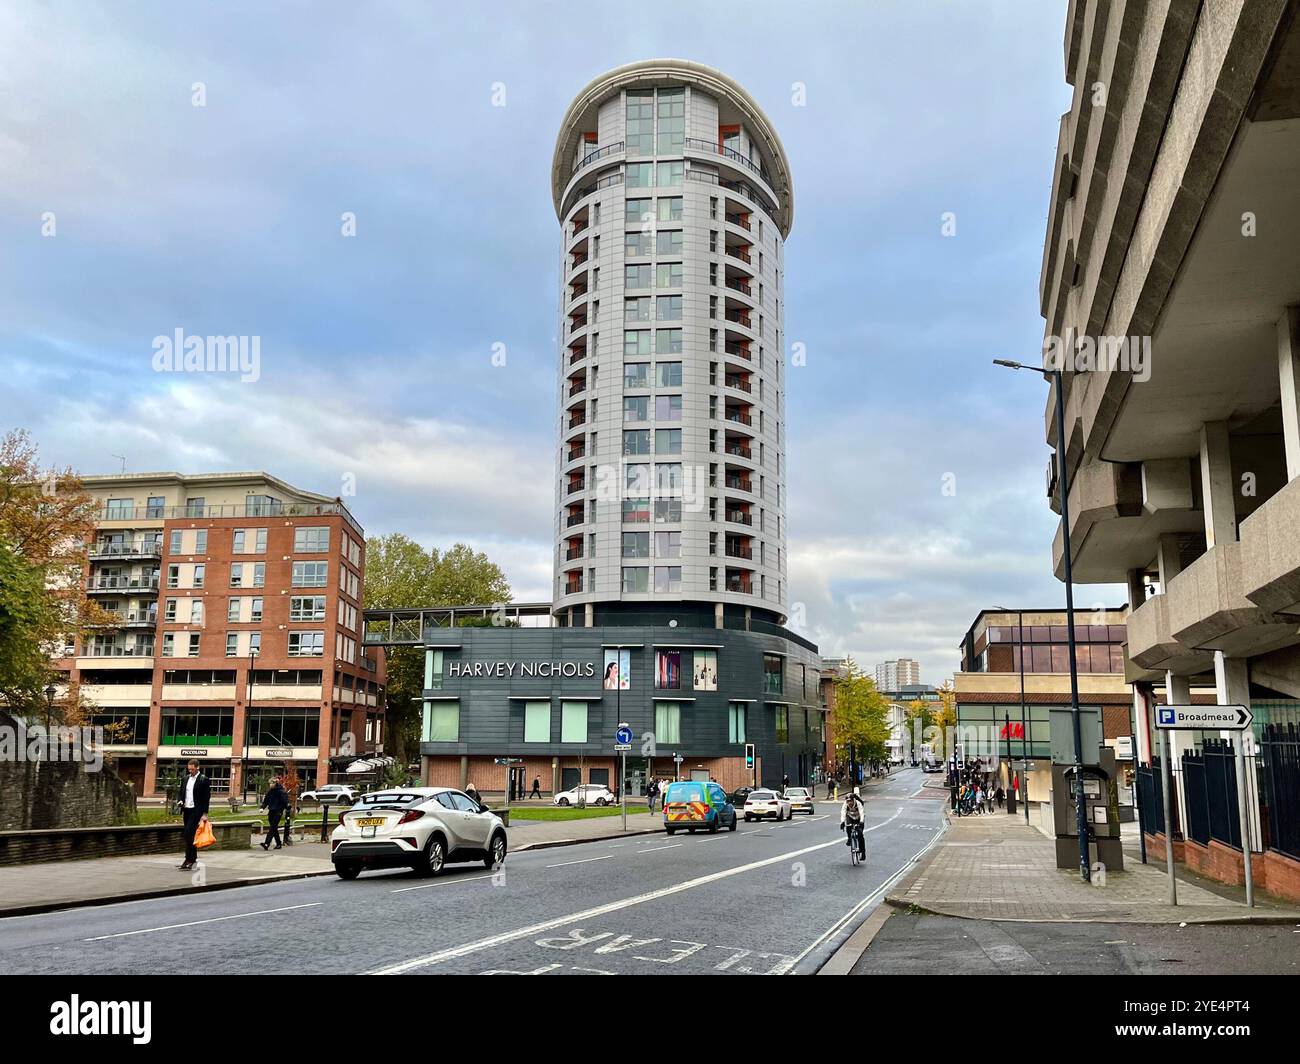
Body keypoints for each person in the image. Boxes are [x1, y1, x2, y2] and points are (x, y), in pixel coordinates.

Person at [178, 759, 210, 871]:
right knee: (188, 835)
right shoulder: (185, 779)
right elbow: (181, 792)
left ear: (197, 768)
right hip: (187, 809)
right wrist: (180, 800)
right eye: (189, 769)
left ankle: (189, 859)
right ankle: (191, 858)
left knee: (188, 833)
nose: (190, 771)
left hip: (196, 810)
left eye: (192, 769)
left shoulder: (203, 780)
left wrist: (205, 813)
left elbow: (206, 797)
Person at [260, 775, 289, 850]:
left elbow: (284, 801)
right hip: (271, 811)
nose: (270, 785)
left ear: (275, 783)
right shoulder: (270, 792)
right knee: (274, 828)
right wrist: (262, 807)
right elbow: (266, 801)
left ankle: (267, 844)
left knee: (272, 828)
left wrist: (287, 807)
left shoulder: (281, 792)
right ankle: (278, 843)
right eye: (270, 783)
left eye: (272, 783)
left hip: (278, 811)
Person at [839, 786, 866, 860]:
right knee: (848, 826)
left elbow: (862, 813)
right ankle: (849, 838)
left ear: (853, 800)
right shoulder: (845, 804)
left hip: (859, 818)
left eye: (850, 801)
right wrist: (842, 822)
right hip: (850, 817)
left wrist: (861, 822)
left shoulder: (858, 803)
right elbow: (843, 812)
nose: (849, 803)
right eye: (848, 801)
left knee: (860, 834)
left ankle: (863, 852)